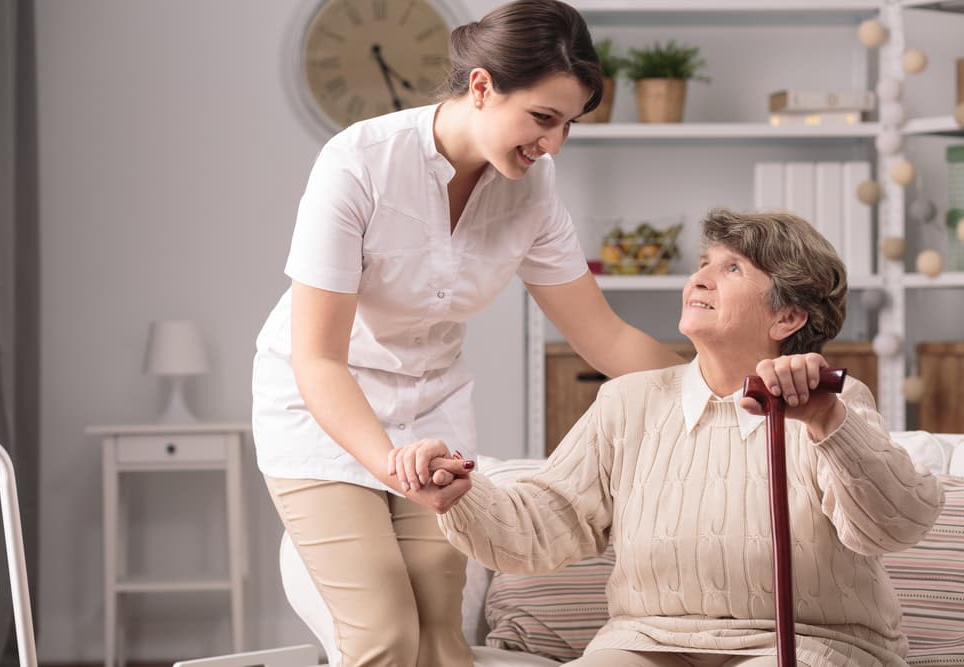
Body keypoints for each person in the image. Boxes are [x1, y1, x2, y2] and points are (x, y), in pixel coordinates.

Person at [251, 1, 683, 664]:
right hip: (323, 410)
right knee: (386, 633)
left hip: (432, 412)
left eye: (568, 124)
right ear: (481, 87)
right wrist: (391, 463)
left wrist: (722, 386)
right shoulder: (358, 164)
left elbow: (606, 338)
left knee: (445, 641)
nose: (554, 143)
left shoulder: (532, 189)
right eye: (543, 117)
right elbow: (319, 360)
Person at [394, 209, 946, 667]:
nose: (699, 279)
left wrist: (827, 422)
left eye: (731, 270)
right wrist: (463, 493)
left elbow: (896, 525)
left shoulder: (836, 403)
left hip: (813, 643)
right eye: (703, 265)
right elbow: (545, 521)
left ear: (788, 317)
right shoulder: (628, 402)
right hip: (648, 639)